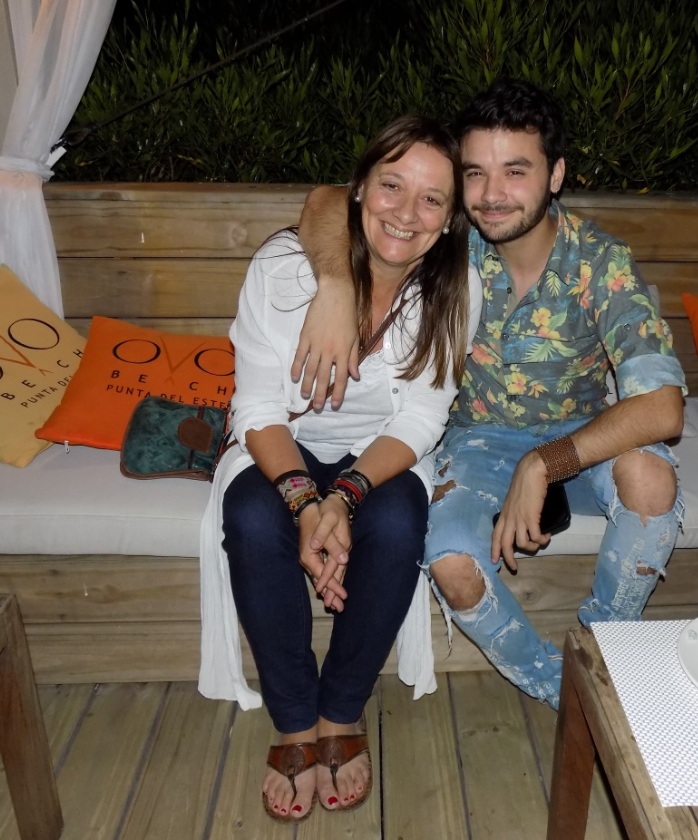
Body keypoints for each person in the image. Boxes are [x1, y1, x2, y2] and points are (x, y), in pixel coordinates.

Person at [294, 79, 686, 710]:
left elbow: (664, 408)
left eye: (516, 171)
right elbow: (322, 203)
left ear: (555, 175)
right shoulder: (448, 243)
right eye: (474, 173)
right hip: (476, 442)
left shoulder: (600, 261)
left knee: (651, 480)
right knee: (450, 560)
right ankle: (569, 693)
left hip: (585, 438)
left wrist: (545, 462)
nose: (492, 195)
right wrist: (336, 286)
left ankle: (608, 650)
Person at [197, 115, 480, 822]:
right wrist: (304, 501)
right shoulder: (286, 269)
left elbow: (419, 420)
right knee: (253, 517)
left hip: (380, 452)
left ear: (448, 222)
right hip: (281, 441)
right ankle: (295, 720)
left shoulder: (455, 288)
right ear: (358, 191)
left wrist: (343, 501)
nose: (405, 213)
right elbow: (258, 405)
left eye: (431, 200)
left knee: (399, 517)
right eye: (391, 186)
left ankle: (341, 712)